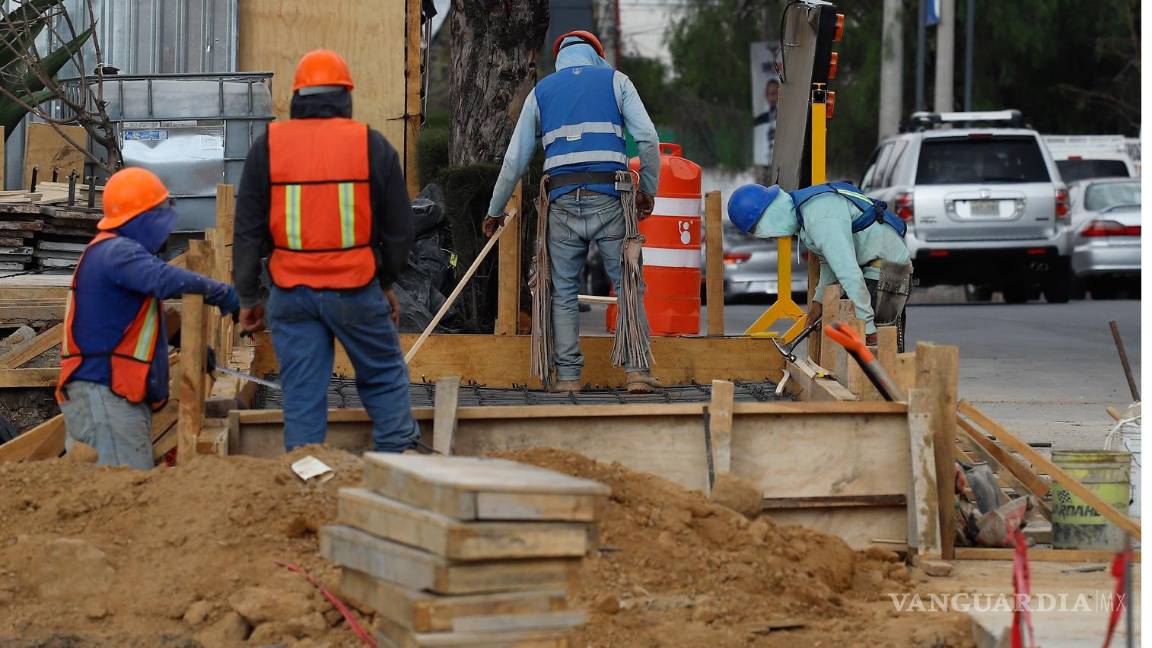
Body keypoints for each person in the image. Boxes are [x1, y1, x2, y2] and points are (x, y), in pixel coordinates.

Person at [232, 49, 418, 453]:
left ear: (297, 97)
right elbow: (401, 233)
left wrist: (249, 296)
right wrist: (383, 281)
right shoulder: (372, 146)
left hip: (291, 295)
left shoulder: (269, 147)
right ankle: (397, 472)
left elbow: (247, 232)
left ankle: (305, 480)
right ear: (345, 96)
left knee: (301, 394)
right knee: (384, 378)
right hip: (355, 291)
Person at [482, 30, 660, 393]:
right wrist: (647, 190)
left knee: (562, 290)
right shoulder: (616, 81)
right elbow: (648, 139)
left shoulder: (542, 92)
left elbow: (514, 159)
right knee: (627, 283)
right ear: (597, 54)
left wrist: (494, 209)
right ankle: (637, 373)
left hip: (560, 201)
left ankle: (567, 379)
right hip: (611, 197)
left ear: (561, 57)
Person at [57, 168, 239, 469]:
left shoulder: (115, 255)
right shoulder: (116, 251)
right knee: (124, 494)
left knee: (119, 494)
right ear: (143, 218)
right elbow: (164, 279)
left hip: (108, 393)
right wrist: (221, 292)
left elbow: (137, 321)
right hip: (105, 393)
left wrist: (189, 344)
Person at [727, 181, 913, 349]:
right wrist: (818, 303)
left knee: (884, 359)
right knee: (862, 363)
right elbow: (830, 262)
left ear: (768, 218)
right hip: (873, 272)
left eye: (763, 231)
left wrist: (868, 327)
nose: (774, 237)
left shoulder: (818, 217)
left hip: (887, 274)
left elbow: (847, 271)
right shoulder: (803, 212)